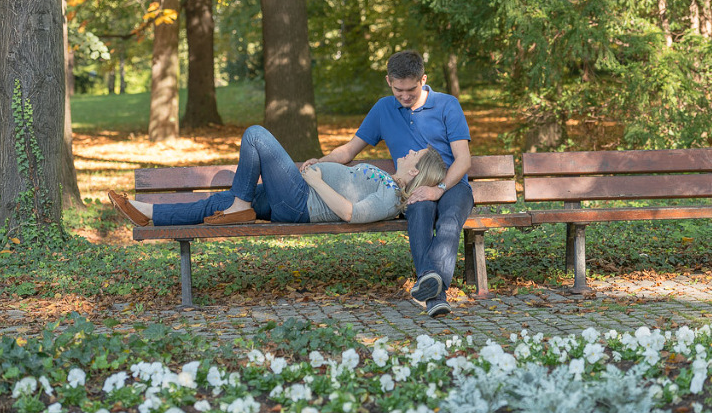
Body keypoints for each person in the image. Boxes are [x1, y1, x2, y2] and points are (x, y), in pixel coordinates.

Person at [301, 50, 473, 318]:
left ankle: (432, 290)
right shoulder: (383, 108)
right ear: (389, 82)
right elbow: (348, 151)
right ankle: (433, 291)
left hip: (452, 185)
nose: (404, 96)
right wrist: (319, 165)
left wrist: (438, 190)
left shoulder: (447, 105)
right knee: (419, 211)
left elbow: (463, 160)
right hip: (414, 188)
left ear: (423, 79)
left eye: (411, 90)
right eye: (398, 90)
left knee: (449, 220)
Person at [108, 125, 447, 230]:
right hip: (298, 192)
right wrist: (321, 167)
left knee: (256, 135)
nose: (406, 153)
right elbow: (345, 173)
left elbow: (350, 213)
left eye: (413, 154)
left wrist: (316, 182)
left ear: (415, 171)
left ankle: (241, 206)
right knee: (216, 202)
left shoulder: (390, 196)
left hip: (300, 202)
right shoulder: (386, 180)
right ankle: (148, 213)